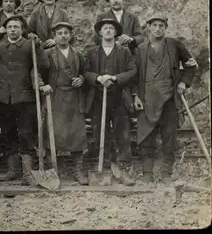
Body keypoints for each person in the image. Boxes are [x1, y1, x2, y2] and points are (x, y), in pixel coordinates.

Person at [132, 15, 197, 184]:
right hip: (147, 98)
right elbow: (133, 75)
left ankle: (166, 173)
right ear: (148, 27)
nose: (158, 28)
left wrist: (183, 82)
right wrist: (135, 96)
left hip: (169, 97)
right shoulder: (140, 49)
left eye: (161, 25)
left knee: (169, 137)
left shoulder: (174, 45)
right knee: (146, 136)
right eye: (154, 25)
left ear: (165, 28)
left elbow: (191, 65)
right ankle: (147, 173)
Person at [0, 15, 49, 185]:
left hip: (25, 96)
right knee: (8, 133)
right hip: (4, 97)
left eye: (16, 27)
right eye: (10, 27)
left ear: (22, 30)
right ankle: (12, 171)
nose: (13, 30)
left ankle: (28, 173)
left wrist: (38, 47)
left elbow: (44, 65)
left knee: (26, 134)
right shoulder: (1, 47)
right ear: (6, 30)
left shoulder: (29, 45)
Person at [84, 18, 137, 186]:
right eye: (105, 29)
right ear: (100, 32)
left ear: (115, 33)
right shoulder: (91, 52)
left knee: (122, 133)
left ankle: (123, 169)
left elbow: (132, 70)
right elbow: (85, 72)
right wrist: (98, 78)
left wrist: (114, 78)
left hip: (119, 98)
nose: (108, 31)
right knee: (100, 132)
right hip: (98, 99)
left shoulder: (124, 52)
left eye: (111, 29)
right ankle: (104, 168)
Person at [41, 22, 88, 185]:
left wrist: (80, 80)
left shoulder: (78, 54)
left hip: (74, 97)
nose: (63, 36)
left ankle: (77, 170)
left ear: (70, 35)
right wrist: (42, 85)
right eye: (59, 33)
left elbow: (84, 72)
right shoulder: (47, 54)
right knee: (55, 132)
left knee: (77, 132)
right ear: (54, 35)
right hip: (55, 96)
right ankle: (56, 169)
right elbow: (37, 71)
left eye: (66, 33)